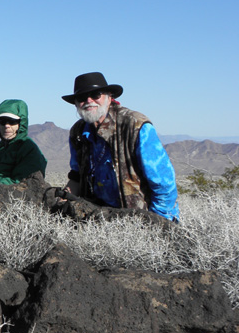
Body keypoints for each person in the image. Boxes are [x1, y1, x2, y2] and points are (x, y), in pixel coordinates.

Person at [61, 72, 179, 221]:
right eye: (82, 98)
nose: (89, 101)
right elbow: (76, 175)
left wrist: (161, 223)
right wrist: (63, 198)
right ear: (77, 103)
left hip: (137, 220)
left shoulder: (134, 125)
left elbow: (163, 183)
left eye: (96, 94)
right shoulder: (78, 132)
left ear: (109, 97)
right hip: (95, 219)